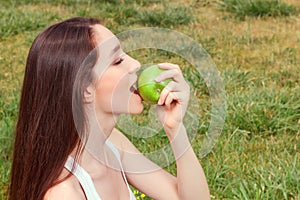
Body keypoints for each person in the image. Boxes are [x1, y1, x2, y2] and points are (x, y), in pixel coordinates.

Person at [9, 17, 210, 200]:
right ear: (85, 88)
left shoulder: (113, 144)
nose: (135, 64)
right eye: (118, 61)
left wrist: (175, 129)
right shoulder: (64, 194)